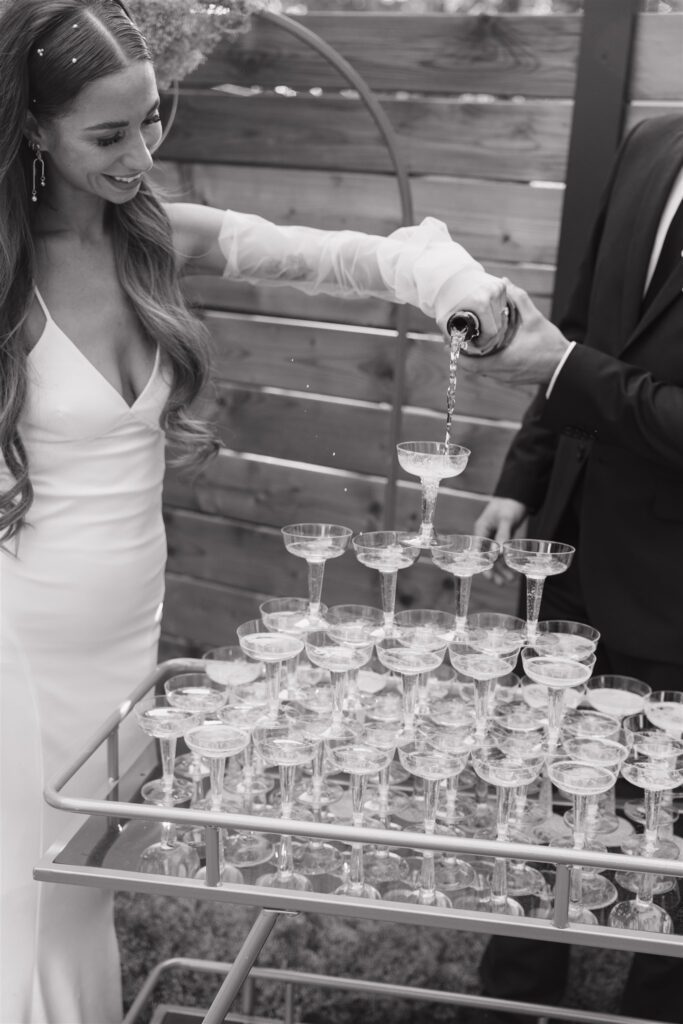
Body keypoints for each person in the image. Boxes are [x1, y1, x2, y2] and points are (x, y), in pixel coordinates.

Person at [0, 2, 511, 1021]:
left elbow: (327, 253)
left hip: (123, 629)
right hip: (18, 639)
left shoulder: (153, 240)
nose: (142, 151)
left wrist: (446, 277)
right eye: (109, 133)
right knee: (34, 899)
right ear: (31, 132)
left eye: (153, 118)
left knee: (90, 879)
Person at [465, 112, 683, 1023]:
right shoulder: (647, 140)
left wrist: (562, 369)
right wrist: (525, 474)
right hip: (572, 548)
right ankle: (513, 993)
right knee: (540, 775)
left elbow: (572, 363)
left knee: (667, 820)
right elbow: (585, 328)